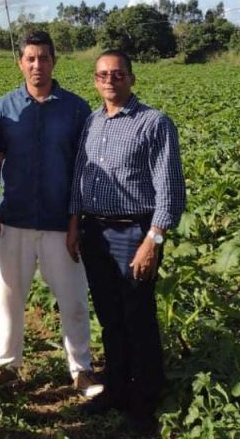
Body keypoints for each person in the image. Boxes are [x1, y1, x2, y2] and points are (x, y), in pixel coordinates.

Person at [67, 50, 186, 434]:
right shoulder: (91, 122)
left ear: (131, 78)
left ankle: (145, 399)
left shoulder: (154, 123)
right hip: (94, 232)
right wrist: (74, 223)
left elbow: (170, 190)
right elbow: (79, 178)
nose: (109, 81)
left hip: (134, 232)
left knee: (138, 317)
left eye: (117, 75)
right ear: (95, 80)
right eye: (102, 75)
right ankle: (116, 388)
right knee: (109, 315)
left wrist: (153, 239)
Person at [0, 31, 101, 395]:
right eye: (30, 58)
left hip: (58, 222)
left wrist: (75, 222)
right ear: (20, 62)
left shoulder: (76, 109)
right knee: (9, 298)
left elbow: (83, 169)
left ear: (55, 61)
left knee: (73, 300)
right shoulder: (5, 108)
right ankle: (9, 367)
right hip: (13, 219)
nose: (37, 65)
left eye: (44, 58)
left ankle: (81, 369)